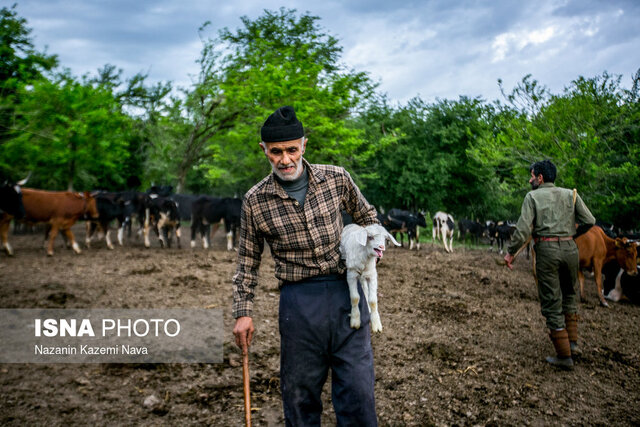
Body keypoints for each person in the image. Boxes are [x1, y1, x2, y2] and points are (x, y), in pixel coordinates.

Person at [232, 105, 379, 426]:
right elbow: (247, 261)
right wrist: (243, 312)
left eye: (291, 150)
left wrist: (370, 245)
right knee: (300, 395)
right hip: (299, 304)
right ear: (264, 151)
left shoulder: (336, 179)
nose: (285, 159)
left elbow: (368, 217)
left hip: (348, 295)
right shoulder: (255, 201)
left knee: (357, 391)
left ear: (304, 145)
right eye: (276, 152)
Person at [504, 159, 595, 370]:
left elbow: (523, 229)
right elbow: (589, 220)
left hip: (547, 250)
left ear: (540, 178)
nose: (530, 179)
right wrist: (572, 234)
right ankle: (573, 344)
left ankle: (564, 356)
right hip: (571, 249)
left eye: (531, 175)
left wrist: (511, 253)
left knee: (552, 299)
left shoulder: (532, 196)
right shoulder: (569, 194)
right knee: (569, 294)